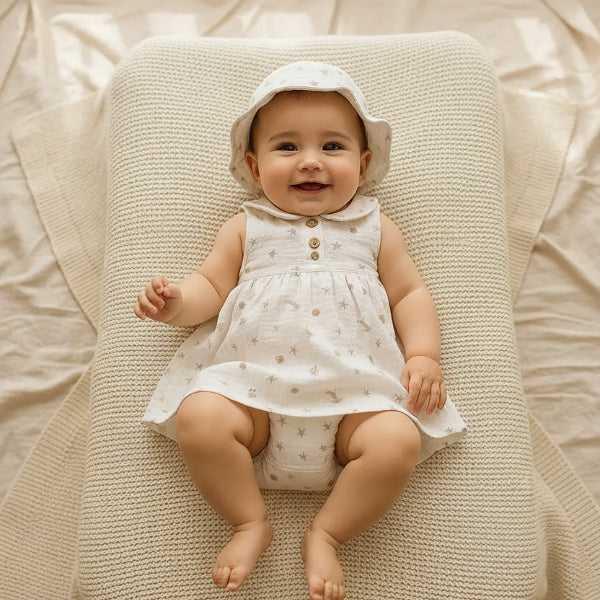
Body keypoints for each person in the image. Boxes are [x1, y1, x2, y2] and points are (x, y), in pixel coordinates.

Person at [135, 61, 466, 600]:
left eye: (332, 147)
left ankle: (328, 533)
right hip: (254, 395)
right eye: (286, 147)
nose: (310, 161)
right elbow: (210, 288)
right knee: (200, 417)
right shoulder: (246, 227)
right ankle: (248, 521)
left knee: (397, 441)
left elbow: (410, 294)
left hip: (357, 397)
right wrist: (175, 303)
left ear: (363, 163)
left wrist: (425, 354)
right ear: (252, 163)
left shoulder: (376, 227)